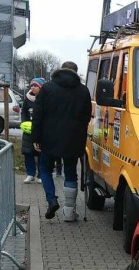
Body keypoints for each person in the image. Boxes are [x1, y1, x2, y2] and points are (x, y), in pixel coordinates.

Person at [32, 61, 92, 221]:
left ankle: (51, 200)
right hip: (73, 140)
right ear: (75, 72)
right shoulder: (83, 91)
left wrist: (36, 137)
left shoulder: (47, 89)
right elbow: (87, 117)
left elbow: (37, 115)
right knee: (71, 172)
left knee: (45, 169)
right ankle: (69, 212)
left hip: (48, 138)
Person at [21, 77, 46, 184]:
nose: (33, 88)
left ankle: (41, 174)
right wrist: (24, 123)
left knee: (41, 152)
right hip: (28, 130)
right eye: (31, 85)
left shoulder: (45, 98)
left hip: (41, 129)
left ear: (40, 87)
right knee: (28, 152)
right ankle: (30, 173)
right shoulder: (27, 98)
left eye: (35, 86)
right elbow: (23, 112)